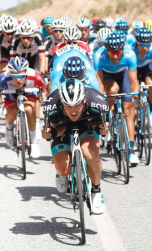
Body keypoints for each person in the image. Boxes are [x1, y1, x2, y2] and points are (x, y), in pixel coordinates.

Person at [41, 79, 109, 214]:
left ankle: (96, 191)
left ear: (84, 99)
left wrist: (103, 129)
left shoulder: (98, 102)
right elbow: (53, 130)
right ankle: (61, 173)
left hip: (88, 123)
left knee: (91, 155)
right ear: (61, 102)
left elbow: (102, 126)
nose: (73, 111)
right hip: (62, 125)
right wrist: (48, 133)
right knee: (64, 169)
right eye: (68, 106)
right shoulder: (50, 105)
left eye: (77, 105)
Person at [94, 32, 140, 164]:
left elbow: (134, 82)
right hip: (107, 77)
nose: (115, 56)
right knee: (112, 90)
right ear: (106, 50)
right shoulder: (99, 55)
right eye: (111, 53)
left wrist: (135, 97)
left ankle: (131, 150)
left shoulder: (129, 54)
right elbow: (100, 83)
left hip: (123, 75)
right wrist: (100, 101)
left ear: (122, 50)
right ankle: (106, 117)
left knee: (128, 111)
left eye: (118, 53)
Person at [0, 57, 47, 158]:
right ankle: (9, 128)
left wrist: (42, 96)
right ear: (10, 73)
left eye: (22, 76)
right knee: (12, 112)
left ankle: (34, 141)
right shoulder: (4, 78)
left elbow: (43, 90)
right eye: (15, 76)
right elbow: (0, 93)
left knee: (29, 109)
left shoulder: (35, 76)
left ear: (27, 73)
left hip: (29, 93)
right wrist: (0, 98)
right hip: (11, 94)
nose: (18, 79)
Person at [131, 28, 152, 127]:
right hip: (133, 69)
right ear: (137, 43)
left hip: (147, 68)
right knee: (133, 87)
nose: (146, 48)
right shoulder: (131, 49)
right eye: (143, 45)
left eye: (148, 45)